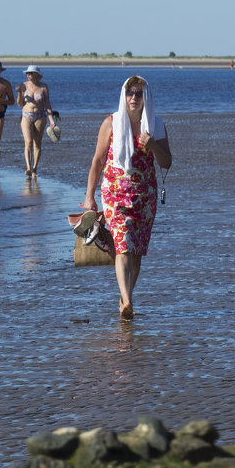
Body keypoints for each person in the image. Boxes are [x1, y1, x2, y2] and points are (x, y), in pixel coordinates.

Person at [82, 75, 172, 320]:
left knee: (136, 252)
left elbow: (167, 162)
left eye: (139, 93)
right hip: (115, 194)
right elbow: (98, 161)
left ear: (146, 97)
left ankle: (125, 298)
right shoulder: (111, 123)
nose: (134, 97)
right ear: (124, 95)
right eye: (130, 93)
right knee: (122, 246)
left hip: (144, 197)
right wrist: (90, 196)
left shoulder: (155, 125)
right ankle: (129, 302)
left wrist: (152, 144)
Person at [16, 65, 57, 177]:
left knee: (37, 144)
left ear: (36, 75)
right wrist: (19, 93)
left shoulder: (43, 87)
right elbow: (19, 104)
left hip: (40, 116)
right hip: (26, 116)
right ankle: (28, 167)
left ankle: (34, 169)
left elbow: (47, 104)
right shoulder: (23, 85)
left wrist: (51, 120)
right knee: (28, 142)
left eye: (31, 73)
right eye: (27, 73)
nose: (28, 75)